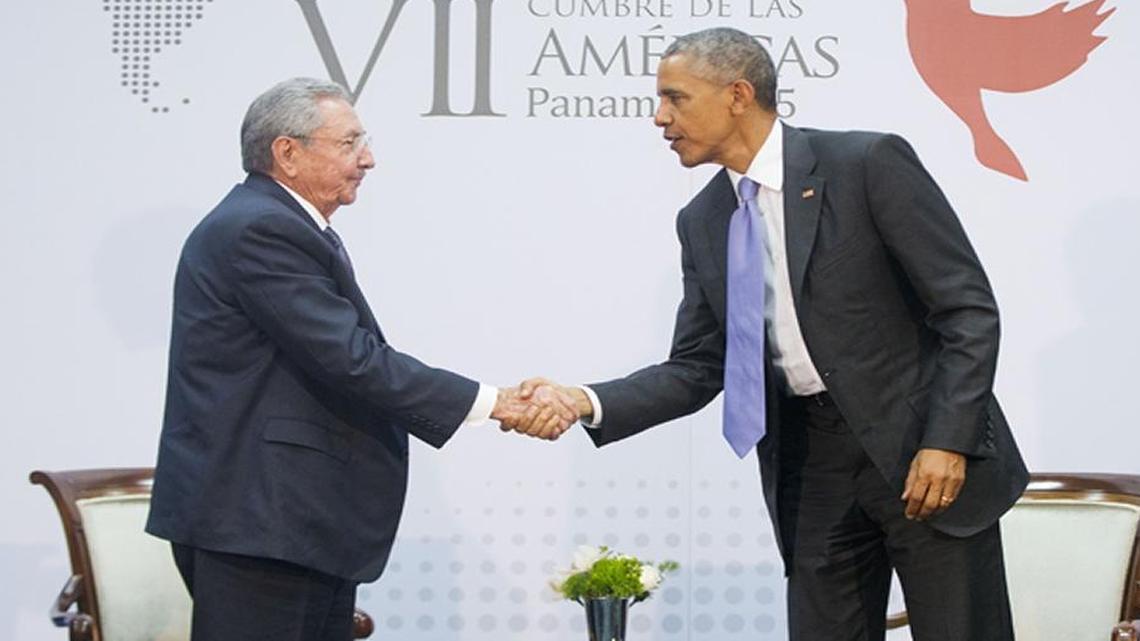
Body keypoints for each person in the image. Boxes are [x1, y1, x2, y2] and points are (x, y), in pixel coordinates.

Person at [525, 28, 1028, 641]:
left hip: (921, 457)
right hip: (808, 466)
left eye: (675, 98)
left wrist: (949, 440)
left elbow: (967, 311)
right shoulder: (704, 220)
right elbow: (698, 367)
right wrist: (585, 400)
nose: (660, 118)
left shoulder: (865, 164)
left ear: (738, 94)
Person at [145, 77, 574, 641]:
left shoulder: (277, 223)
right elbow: (353, 359)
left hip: (292, 522)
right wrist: (496, 403)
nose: (367, 159)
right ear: (288, 152)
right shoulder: (259, 228)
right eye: (348, 143)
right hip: (261, 523)